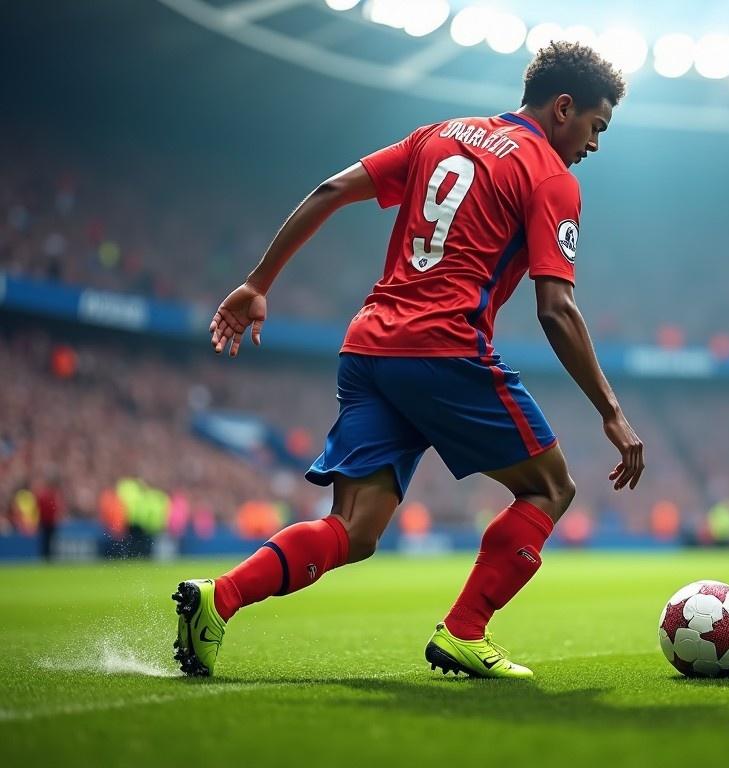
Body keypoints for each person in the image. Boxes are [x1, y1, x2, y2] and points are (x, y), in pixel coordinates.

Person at [172, 42, 644, 679]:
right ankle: (464, 631)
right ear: (564, 108)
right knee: (550, 486)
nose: (594, 144)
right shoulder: (552, 177)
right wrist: (612, 413)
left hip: (369, 347)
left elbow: (332, 189)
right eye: (596, 126)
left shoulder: (437, 135)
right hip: (445, 348)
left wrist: (259, 283)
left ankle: (217, 599)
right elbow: (555, 308)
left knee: (355, 529)